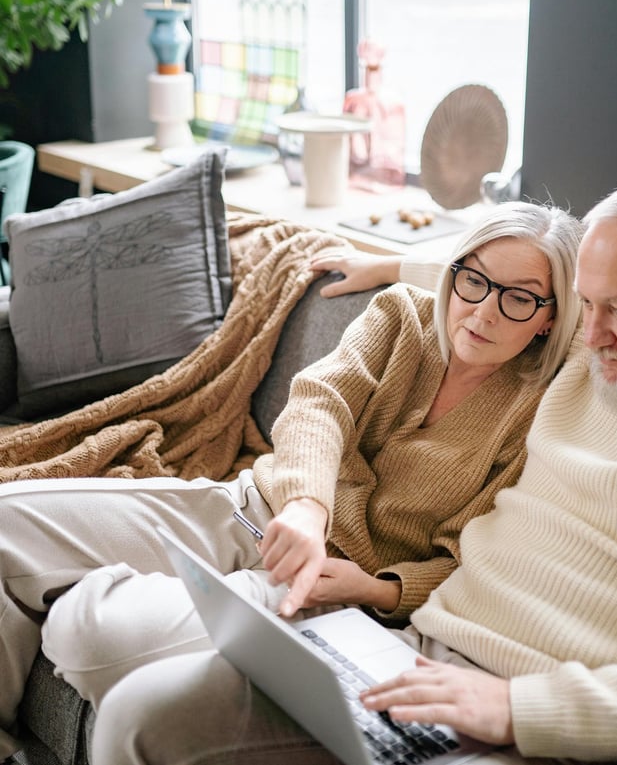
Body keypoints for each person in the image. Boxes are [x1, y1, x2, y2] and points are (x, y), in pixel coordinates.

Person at [85, 175, 617, 765]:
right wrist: (391, 263)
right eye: (586, 305)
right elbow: (501, 283)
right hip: (410, 652)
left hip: (535, 728)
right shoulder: (597, 356)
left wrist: (519, 707)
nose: (589, 337)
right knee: (139, 715)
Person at [0, 200, 584, 763]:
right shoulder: (403, 313)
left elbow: (473, 559)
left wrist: (378, 590)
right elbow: (319, 402)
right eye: (473, 281)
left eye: (519, 300)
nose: (482, 311)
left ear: (552, 316)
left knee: (92, 632)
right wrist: (307, 506)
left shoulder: (542, 411)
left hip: (324, 587)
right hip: (250, 507)